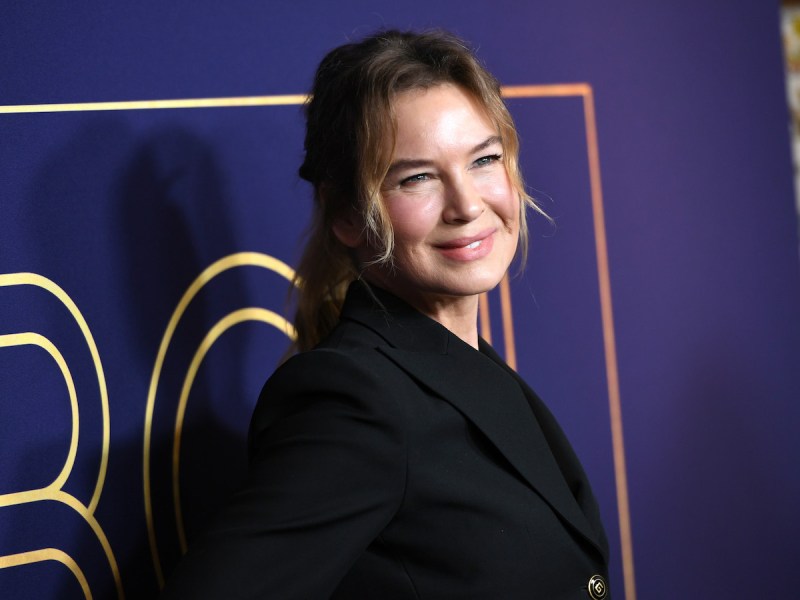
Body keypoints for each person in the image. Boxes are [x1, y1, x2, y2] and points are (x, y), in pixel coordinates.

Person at [162, 29, 610, 599]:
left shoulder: (461, 367)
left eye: (484, 159)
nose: (467, 205)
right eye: (417, 177)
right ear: (348, 216)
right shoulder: (356, 401)